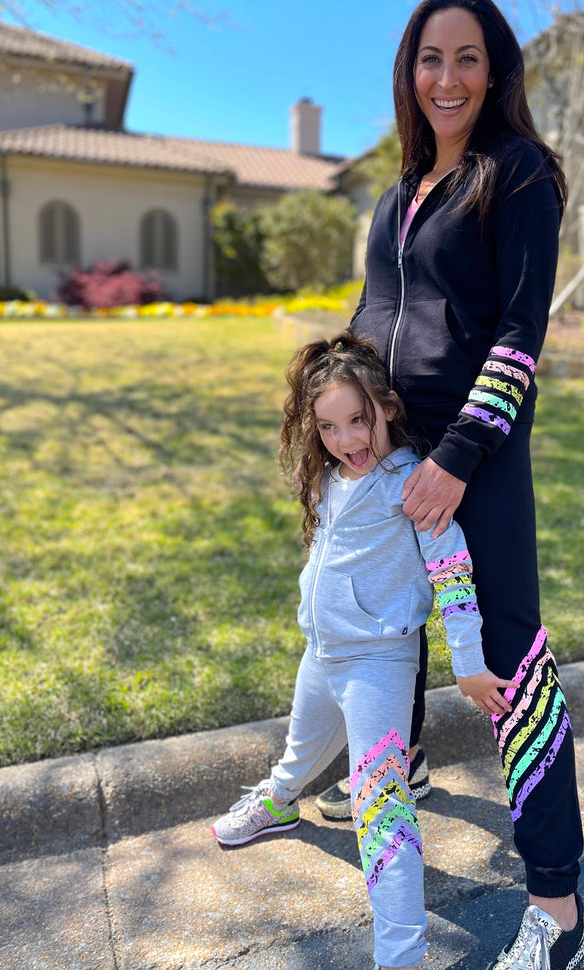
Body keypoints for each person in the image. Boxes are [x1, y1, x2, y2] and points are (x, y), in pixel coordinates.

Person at [345, 0, 584, 970]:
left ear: (494, 72)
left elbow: (519, 336)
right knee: (390, 622)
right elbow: (370, 317)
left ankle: (557, 901)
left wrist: (456, 454)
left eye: (467, 58)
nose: (446, 77)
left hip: (470, 459)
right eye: (429, 58)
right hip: (388, 453)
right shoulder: (397, 196)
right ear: (409, 73)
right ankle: (393, 768)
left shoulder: (517, 173)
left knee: (509, 660)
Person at [211, 330, 516, 970]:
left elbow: (452, 570)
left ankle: (400, 954)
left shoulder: (411, 483)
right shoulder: (329, 478)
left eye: (359, 420)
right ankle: (276, 802)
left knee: (382, 811)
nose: (348, 440)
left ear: (389, 408)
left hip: (379, 666)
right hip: (321, 655)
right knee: (302, 749)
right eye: (328, 427)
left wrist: (467, 665)